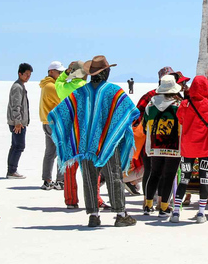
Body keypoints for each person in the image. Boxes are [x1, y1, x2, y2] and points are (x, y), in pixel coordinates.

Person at [49, 55, 139, 227]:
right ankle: (120, 215)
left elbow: (59, 113)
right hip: (107, 143)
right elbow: (131, 111)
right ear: (105, 73)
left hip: (86, 143)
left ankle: (93, 216)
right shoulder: (113, 91)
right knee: (114, 176)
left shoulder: (80, 92)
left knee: (89, 178)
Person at [171, 75, 208, 223]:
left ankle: (175, 213)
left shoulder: (184, 105)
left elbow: (180, 119)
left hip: (188, 148)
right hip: (205, 148)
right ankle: (200, 213)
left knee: (184, 178)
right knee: (204, 179)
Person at [54, 61, 92, 209]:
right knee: (90, 169)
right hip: (85, 131)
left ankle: (70, 200)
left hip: (69, 131)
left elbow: (58, 81)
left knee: (70, 169)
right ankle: (95, 200)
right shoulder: (87, 89)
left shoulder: (63, 88)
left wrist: (65, 74)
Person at [142, 74, 182, 217]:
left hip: (155, 145)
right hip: (174, 146)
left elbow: (145, 125)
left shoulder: (151, 105)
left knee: (154, 174)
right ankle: (164, 207)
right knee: (169, 176)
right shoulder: (179, 105)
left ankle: (147, 205)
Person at [39, 61, 65, 190]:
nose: (61, 74)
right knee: (61, 151)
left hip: (48, 122)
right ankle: (60, 181)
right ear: (51, 72)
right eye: (59, 72)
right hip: (54, 123)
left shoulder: (47, 85)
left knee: (50, 152)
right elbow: (63, 100)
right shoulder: (51, 86)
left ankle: (47, 180)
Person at [6, 63, 32, 179]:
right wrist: (18, 121)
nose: (28, 77)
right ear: (19, 74)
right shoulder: (17, 87)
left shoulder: (20, 86)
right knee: (19, 146)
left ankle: (11, 170)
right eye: (26, 74)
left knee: (15, 145)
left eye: (29, 75)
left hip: (18, 122)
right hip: (18, 123)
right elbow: (16, 106)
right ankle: (12, 171)